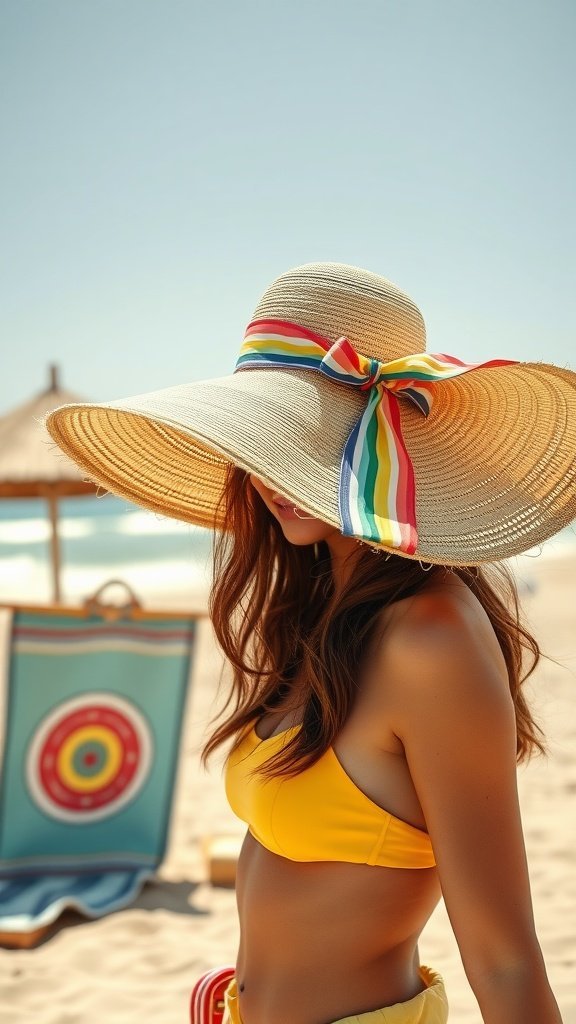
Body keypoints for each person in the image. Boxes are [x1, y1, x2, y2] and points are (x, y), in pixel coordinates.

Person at [46, 262, 576, 1024]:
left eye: (312, 436)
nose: (273, 473)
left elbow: (505, 958)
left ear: (386, 444)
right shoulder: (318, 612)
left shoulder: (430, 639)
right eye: (268, 436)